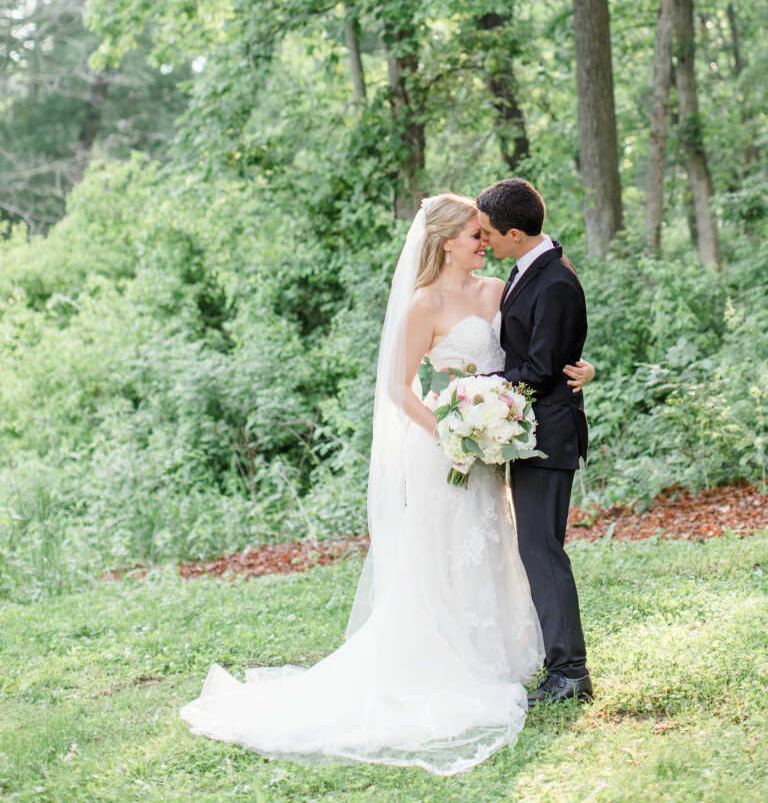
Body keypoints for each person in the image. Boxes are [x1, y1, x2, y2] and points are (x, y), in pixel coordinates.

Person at [181, 193, 593, 775]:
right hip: (449, 444)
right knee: (447, 552)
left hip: (497, 440)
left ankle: (503, 658)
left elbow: (541, 350)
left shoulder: (502, 289)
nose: (483, 242)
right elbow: (399, 389)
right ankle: (448, 661)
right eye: (474, 235)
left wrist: (582, 371)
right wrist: (450, 434)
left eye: (486, 234)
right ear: (446, 241)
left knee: (500, 545)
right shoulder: (423, 304)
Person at [476, 177, 593, 706]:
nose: (485, 243)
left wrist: (475, 393)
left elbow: (544, 369)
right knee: (536, 549)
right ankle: (560, 665)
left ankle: (570, 672)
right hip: (528, 433)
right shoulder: (528, 271)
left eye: (489, 235)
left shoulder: (556, 283)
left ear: (516, 232)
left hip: (549, 437)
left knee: (542, 551)